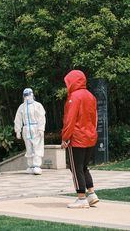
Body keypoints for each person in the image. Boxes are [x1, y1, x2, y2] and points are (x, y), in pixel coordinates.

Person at [61, 70, 99, 208]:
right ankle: (92, 194)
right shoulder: (90, 96)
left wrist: (65, 138)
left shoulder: (74, 97)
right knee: (83, 167)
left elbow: (69, 120)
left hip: (77, 138)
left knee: (75, 168)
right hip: (90, 136)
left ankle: (81, 198)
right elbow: (95, 118)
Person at [14, 88, 46, 175]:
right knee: (28, 147)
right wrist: (18, 130)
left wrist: (41, 129)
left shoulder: (38, 105)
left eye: (28, 95)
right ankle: (31, 165)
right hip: (26, 129)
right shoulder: (22, 107)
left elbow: (42, 117)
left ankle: (37, 165)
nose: (27, 97)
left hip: (36, 128)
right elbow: (18, 119)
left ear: (32, 95)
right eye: (25, 95)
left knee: (37, 146)